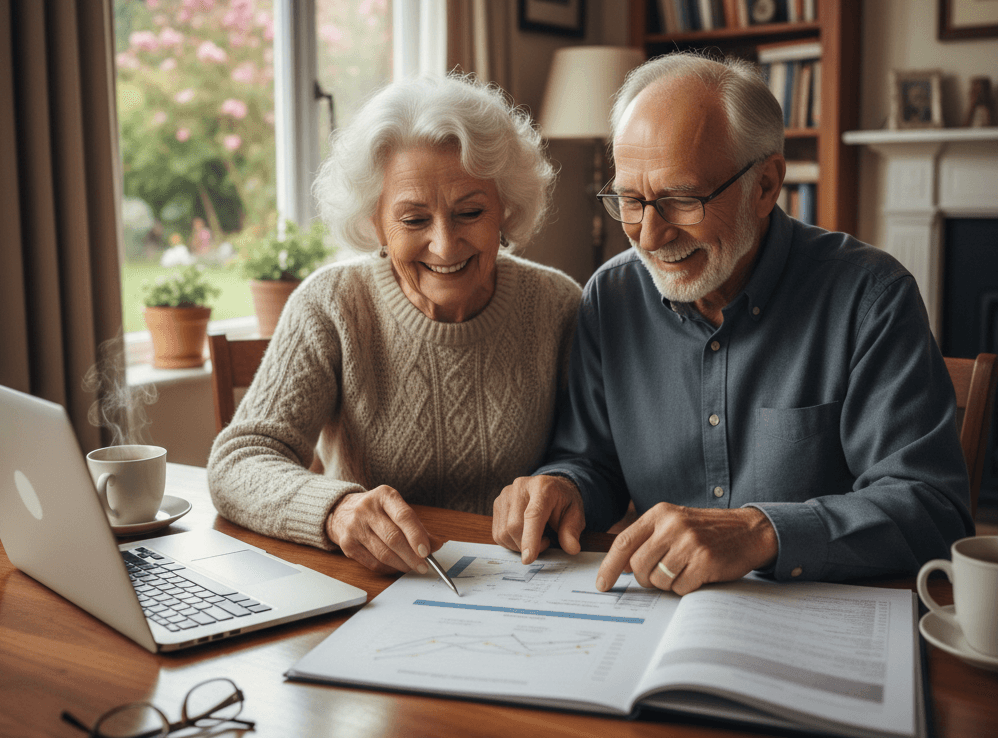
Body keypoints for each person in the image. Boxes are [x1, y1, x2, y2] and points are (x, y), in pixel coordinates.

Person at [492, 52, 973, 596]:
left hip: (819, 613)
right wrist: (562, 487)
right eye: (630, 200)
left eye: (680, 199)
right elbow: (591, 460)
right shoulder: (612, 296)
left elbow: (933, 510)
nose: (648, 236)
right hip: (659, 615)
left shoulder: (870, 298)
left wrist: (760, 531)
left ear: (765, 185)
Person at [208, 73, 581, 574]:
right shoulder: (333, 305)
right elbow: (239, 462)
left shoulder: (557, 305)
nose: (445, 245)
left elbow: (595, 459)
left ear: (504, 209)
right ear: (374, 221)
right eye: (413, 220)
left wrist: (564, 483)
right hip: (370, 583)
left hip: (522, 582)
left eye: (470, 212)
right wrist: (336, 511)